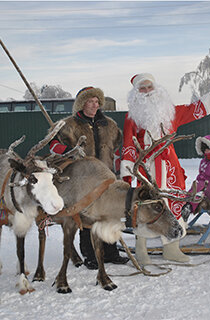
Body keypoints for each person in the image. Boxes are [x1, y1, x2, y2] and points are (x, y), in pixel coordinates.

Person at [121, 73, 210, 264]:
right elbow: (128, 145)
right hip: (148, 167)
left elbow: (193, 110)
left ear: (156, 89)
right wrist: (127, 173)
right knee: (146, 206)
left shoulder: (170, 111)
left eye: (150, 87)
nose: (147, 91)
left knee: (174, 203)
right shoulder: (132, 117)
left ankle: (171, 248)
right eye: (142, 88)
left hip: (170, 166)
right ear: (136, 93)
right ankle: (141, 250)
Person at [49, 86, 129, 269]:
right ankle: (90, 254)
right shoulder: (68, 125)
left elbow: (116, 144)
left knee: (110, 214)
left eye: (96, 102)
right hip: (83, 179)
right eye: (90, 101)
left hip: (107, 176)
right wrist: (68, 151)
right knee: (86, 217)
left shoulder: (109, 124)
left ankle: (111, 252)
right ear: (81, 104)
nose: (94, 105)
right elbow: (53, 145)